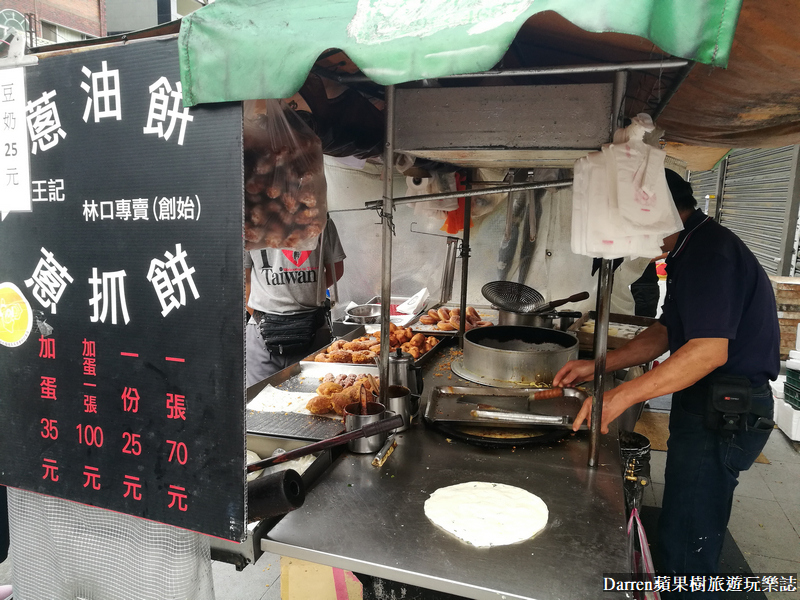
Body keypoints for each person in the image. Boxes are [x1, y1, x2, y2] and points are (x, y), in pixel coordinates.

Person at [554, 169, 779, 599]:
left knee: (690, 534)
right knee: (682, 518)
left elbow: (708, 351)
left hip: (727, 409)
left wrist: (621, 395)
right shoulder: (687, 248)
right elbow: (668, 332)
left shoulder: (711, 253)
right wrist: (600, 366)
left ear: (655, 210)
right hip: (707, 402)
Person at [245, 217, 345, 387]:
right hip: (268, 332)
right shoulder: (321, 218)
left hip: (301, 330)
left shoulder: (250, 220)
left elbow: (243, 278)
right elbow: (336, 271)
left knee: (263, 405)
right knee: (312, 403)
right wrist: (309, 292)